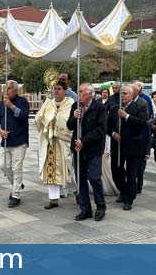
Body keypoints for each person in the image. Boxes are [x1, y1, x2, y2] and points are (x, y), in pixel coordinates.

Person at [68, 83, 107, 221]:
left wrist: (84, 140)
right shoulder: (76, 106)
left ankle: (101, 206)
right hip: (78, 149)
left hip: (93, 148)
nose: (78, 95)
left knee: (94, 177)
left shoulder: (99, 108)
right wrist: (74, 116)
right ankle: (85, 209)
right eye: (78, 92)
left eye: (81, 92)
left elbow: (100, 130)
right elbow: (69, 126)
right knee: (81, 179)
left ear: (89, 93)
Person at [36, 81, 76, 209]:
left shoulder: (70, 104)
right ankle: (53, 199)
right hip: (50, 142)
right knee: (51, 171)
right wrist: (45, 117)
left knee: (68, 169)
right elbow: (38, 119)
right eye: (54, 89)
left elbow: (69, 122)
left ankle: (78, 191)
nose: (56, 91)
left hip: (63, 142)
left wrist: (55, 118)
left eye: (59, 89)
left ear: (65, 90)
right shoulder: (48, 103)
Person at [108, 86, 149, 210]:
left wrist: (127, 117)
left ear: (131, 96)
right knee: (116, 170)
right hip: (117, 145)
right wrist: (114, 133)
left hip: (133, 146)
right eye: (121, 94)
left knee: (131, 173)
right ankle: (123, 190)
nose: (122, 96)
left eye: (125, 94)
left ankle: (129, 199)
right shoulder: (115, 108)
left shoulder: (139, 107)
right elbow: (107, 124)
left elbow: (142, 123)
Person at [0, 80, 30, 208]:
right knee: (4, 166)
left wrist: (12, 106)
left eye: (9, 88)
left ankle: (15, 195)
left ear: (15, 90)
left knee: (17, 168)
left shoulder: (22, 102)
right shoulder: (1, 103)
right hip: (5, 141)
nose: (6, 91)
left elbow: (24, 116)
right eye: (5, 88)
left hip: (19, 141)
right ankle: (18, 184)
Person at [131, 82, 152, 191]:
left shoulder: (143, 102)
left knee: (140, 167)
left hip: (141, 136)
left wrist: (147, 151)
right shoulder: (125, 103)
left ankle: (139, 185)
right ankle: (134, 185)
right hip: (131, 139)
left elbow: (146, 119)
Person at [100, 87, 118, 196]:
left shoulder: (110, 103)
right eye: (103, 92)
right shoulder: (98, 102)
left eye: (106, 92)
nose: (104, 94)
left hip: (107, 137)